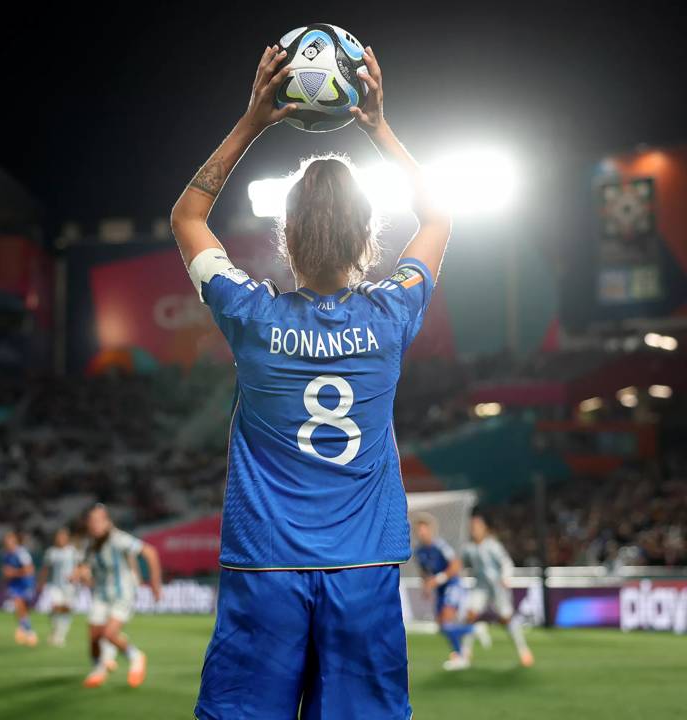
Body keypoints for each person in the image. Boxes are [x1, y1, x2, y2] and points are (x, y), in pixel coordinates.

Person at [172, 44, 451, 719]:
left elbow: (188, 217)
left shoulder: (250, 314)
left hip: (264, 568)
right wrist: (377, 124)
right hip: (364, 571)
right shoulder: (392, 313)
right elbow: (439, 217)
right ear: (367, 236)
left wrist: (253, 121)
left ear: (286, 236)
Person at [77, 504, 162, 688]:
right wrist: (79, 574)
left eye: (100, 520)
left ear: (107, 522)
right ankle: (98, 669)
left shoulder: (118, 539)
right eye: (92, 521)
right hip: (100, 594)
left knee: (108, 634)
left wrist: (155, 583)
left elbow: (150, 552)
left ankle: (136, 657)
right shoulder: (89, 545)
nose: (96, 524)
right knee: (93, 636)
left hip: (122, 594)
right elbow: (83, 567)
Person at [462, 513, 534, 667]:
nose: (474, 530)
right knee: (470, 615)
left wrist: (505, 577)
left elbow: (506, 562)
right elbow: (463, 565)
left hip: (497, 587)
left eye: (477, 526)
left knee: (506, 619)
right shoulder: (469, 548)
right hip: (480, 587)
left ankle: (523, 650)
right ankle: (464, 653)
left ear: (484, 528)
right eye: (472, 527)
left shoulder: (492, 546)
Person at [413, 513, 478, 671]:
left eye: (424, 530)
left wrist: (439, 579)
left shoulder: (440, 545)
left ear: (431, 530)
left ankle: (460, 654)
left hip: (453, 585)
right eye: (419, 530)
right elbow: (424, 572)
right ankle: (468, 638)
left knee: (447, 622)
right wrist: (426, 586)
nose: (422, 533)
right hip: (440, 590)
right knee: (442, 627)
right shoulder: (419, 551)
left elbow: (456, 565)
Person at [37, 527, 79, 647]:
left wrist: (76, 576)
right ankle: (56, 630)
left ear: (67, 538)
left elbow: (79, 566)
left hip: (70, 586)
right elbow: (45, 569)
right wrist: (41, 582)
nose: (60, 539)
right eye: (58, 536)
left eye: (63, 536)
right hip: (56, 585)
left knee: (66, 610)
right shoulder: (51, 552)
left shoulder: (73, 551)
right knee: (56, 607)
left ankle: (60, 635)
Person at [1, 531, 38, 646]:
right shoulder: (6, 555)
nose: (8, 544)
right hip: (15, 585)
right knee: (18, 606)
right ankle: (29, 632)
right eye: (6, 542)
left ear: (15, 542)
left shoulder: (21, 553)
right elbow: (6, 570)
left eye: (10, 541)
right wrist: (6, 576)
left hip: (26, 583)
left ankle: (25, 629)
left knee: (23, 609)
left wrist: (13, 573)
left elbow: (30, 569)